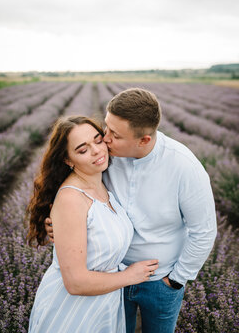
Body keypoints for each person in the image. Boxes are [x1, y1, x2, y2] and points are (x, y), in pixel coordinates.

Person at [45, 88, 217, 333]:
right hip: (109, 276)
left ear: (143, 140)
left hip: (161, 281)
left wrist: (176, 280)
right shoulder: (107, 157)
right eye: (106, 127)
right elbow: (74, 191)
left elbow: (204, 231)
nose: (104, 139)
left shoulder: (185, 167)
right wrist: (55, 223)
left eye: (114, 134)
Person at [27, 115, 159, 333]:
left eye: (98, 140)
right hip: (71, 311)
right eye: (82, 149)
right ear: (68, 160)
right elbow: (75, 282)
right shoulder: (71, 199)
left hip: (104, 304)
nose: (97, 151)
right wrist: (129, 276)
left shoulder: (104, 183)